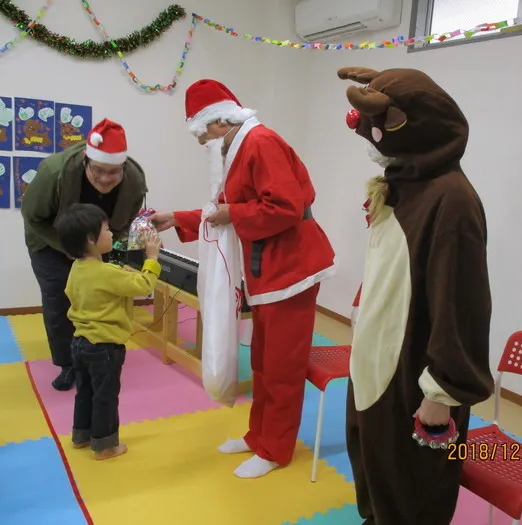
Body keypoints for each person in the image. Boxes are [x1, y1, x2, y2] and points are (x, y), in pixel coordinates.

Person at [150, 79, 336, 479]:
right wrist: (179, 218)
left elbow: (284, 207)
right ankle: (258, 437)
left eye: (201, 135)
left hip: (292, 269)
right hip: (268, 269)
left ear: (219, 121)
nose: (202, 143)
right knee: (264, 363)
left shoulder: (260, 142)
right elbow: (232, 207)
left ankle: (276, 449)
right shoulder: (240, 146)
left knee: (282, 367)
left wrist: (231, 214)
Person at [337, 66, 494, 524]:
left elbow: (461, 304)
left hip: (412, 377)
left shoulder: (452, 200)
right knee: (375, 480)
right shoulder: (404, 184)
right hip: (376, 364)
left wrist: (441, 392)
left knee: (412, 495)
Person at [21, 119, 149, 391]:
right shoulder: (54, 172)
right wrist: (69, 248)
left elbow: (125, 222)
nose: (105, 179)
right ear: (85, 161)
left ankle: (96, 353)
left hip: (101, 243)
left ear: (123, 168)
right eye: (98, 170)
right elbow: (33, 217)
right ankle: (68, 364)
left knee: (101, 296)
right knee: (59, 298)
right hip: (51, 241)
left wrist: (114, 252)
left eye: (113, 172)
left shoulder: (135, 182)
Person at [55, 203, 161, 460]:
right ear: (91, 240)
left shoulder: (77, 268)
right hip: (105, 346)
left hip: (79, 342)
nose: (112, 233)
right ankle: (104, 446)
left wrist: (118, 273)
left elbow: (90, 287)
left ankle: (81, 435)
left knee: (86, 392)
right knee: (106, 396)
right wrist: (152, 259)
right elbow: (143, 285)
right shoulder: (104, 273)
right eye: (106, 229)